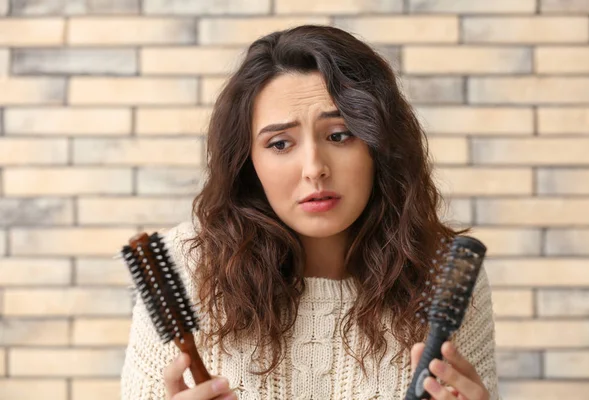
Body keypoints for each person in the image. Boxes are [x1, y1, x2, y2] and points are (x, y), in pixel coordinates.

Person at [120, 24, 499, 400]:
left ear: (378, 146)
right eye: (281, 143)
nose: (314, 167)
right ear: (247, 162)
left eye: (339, 135)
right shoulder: (187, 267)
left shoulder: (445, 277)